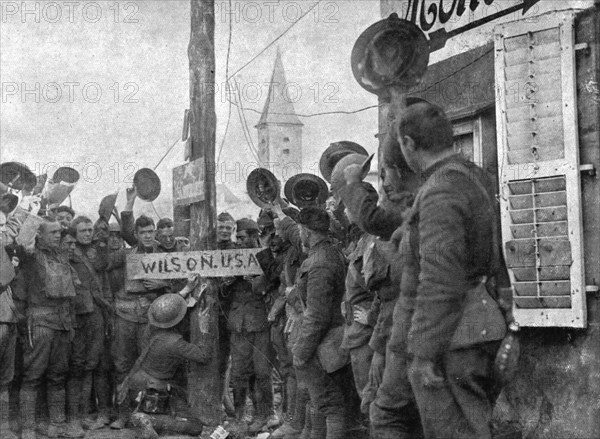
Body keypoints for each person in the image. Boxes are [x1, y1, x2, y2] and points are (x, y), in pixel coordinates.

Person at [377, 102, 507, 439]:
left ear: (408, 144)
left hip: (453, 337)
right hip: (479, 326)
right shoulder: (472, 176)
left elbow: (439, 281)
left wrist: (423, 353)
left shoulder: (440, 190)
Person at [13, 218, 79, 439]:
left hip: (62, 322)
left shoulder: (61, 257)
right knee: (32, 376)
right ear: (39, 235)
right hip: (40, 321)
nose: (58, 235)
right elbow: (22, 241)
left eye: (59, 232)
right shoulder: (30, 256)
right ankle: (28, 427)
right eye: (52, 232)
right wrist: (33, 214)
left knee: (58, 375)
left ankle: (56, 424)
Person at [120, 278, 211, 438]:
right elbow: (203, 356)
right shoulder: (176, 343)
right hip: (154, 389)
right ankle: (150, 420)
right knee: (195, 426)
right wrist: (203, 326)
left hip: (137, 384)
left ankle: (139, 417)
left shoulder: (152, 329)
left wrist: (186, 289)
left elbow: (168, 307)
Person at [290, 207, 350, 439]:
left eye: (300, 230)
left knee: (330, 405)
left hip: (323, 343)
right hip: (329, 339)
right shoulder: (329, 252)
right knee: (319, 401)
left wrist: (302, 351)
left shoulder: (319, 262)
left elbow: (317, 315)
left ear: (305, 230)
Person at [110, 215, 172, 429]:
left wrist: (162, 282)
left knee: (150, 367)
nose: (148, 236)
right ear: (135, 235)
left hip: (151, 319)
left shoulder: (164, 256)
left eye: (151, 231)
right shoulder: (126, 256)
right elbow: (105, 268)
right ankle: (123, 414)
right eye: (143, 232)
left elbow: (181, 283)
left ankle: (148, 416)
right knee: (122, 366)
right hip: (125, 317)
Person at [63, 217, 110, 435]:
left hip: (95, 313)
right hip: (76, 314)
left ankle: (89, 414)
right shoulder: (68, 252)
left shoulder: (95, 251)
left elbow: (103, 264)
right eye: (83, 230)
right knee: (77, 366)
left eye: (90, 230)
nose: (88, 234)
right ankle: (75, 417)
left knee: (93, 364)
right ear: (73, 233)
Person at [226, 218, 274, 434]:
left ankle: (264, 414)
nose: (238, 241)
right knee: (238, 372)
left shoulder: (267, 257)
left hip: (261, 322)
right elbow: (224, 292)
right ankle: (238, 416)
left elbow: (274, 282)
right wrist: (227, 282)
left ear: (254, 236)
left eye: (243, 237)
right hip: (239, 323)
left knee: (262, 372)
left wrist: (257, 279)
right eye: (237, 237)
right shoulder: (233, 258)